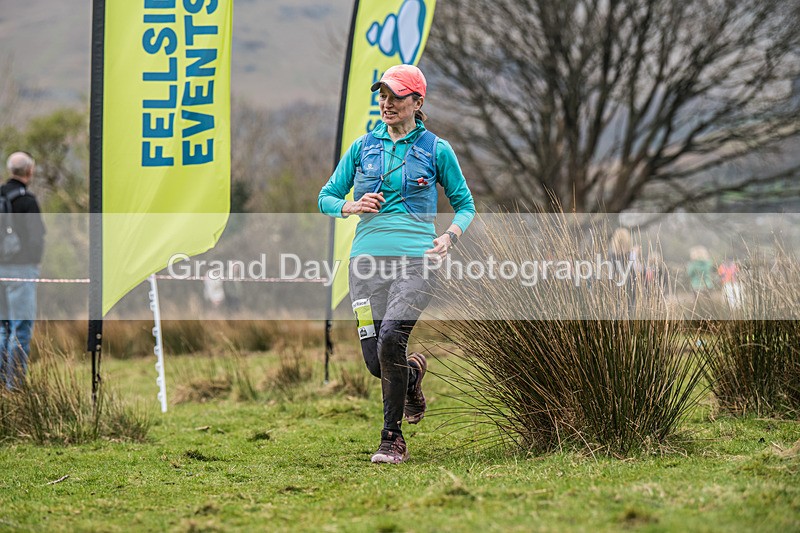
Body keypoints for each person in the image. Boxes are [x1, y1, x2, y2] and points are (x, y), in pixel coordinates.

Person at [318, 64, 475, 464]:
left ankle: (392, 440)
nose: (386, 103)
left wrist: (448, 237)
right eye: (382, 96)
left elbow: (465, 205)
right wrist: (351, 205)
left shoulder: (437, 150)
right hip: (365, 264)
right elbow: (326, 197)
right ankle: (413, 374)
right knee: (376, 362)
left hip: (417, 262)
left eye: (396, 97)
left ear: (417, 102)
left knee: (391, 337)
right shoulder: (362, 148)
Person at [0, 152, 45, 390]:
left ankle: (2, 386)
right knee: (21, 329)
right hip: (21, 270)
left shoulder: (1, 195)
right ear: (29, 171)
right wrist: (34, 263)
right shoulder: (27, 200)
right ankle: (15, 387)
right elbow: (37, 238)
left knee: (2, 328)